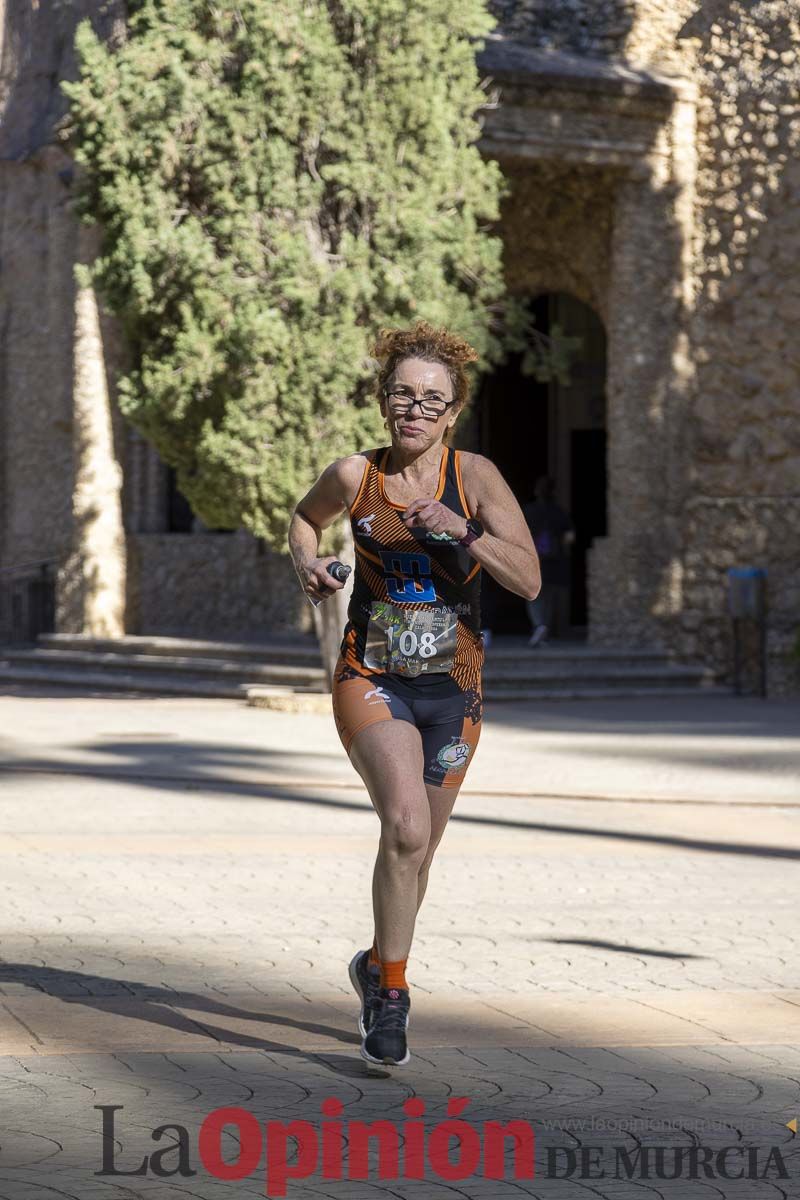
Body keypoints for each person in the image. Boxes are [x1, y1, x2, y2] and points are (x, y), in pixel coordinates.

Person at [288, 321, 540, 1069]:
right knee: (403, 828)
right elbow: (306, 520)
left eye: (433, 400)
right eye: (403, 394)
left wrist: (462, 532)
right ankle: (392, 993)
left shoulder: (476, 477)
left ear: (453, 413)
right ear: (382, 400)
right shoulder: (354, 477)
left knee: (419, 850)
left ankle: (374, 962)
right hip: (373, 678)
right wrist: (310, 564)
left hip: (454, 692)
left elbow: (526, 579)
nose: (415, 410)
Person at [522, 476, 575, 646]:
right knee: (549, 597)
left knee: (533, 596)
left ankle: (539, 626)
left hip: (533, 560)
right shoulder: (559, 512)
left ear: (537, 491)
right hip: (554, 561)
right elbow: (569, 537)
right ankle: (544, 629)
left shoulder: (528, 511)